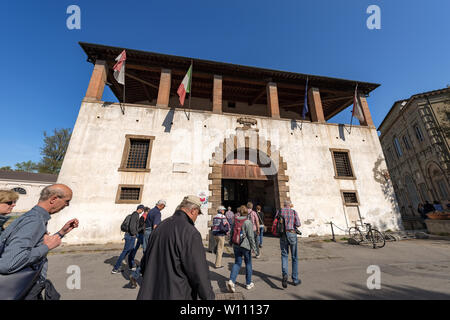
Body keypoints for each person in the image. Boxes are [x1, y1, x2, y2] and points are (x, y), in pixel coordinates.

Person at [0, 184, 79, 299]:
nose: (67, 205)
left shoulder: (34, 217)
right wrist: (46, 247)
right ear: (53, 199)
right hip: (23, 289)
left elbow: (31, 246)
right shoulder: (34, 221)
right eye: (67, 201)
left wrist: (61, 232)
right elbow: (9, 263)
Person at [137, 195, 215, 300]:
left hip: (151, 293)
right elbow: (199, 273)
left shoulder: (161, 226)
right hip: (177, 293)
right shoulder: (190, 232)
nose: (196, 217)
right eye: (198, 213)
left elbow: (145, 263)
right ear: (193, 211)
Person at [129, 201, 165, 288]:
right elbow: (155, 227)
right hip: (150, 235)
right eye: (163, 207)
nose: (163, 208)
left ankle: (140, 277)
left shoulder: (151, 211)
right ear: (161, 205)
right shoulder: (157, 213)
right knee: (151, 257)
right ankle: (139, 276)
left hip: (146, 234)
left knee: (148, 257)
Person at [226, 205, 258, 293]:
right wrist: (254, 249)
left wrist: (230, 242)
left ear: (239, 212)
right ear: (247, 212)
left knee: (237, 263)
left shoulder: (235, 220)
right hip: (245, 246)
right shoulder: (248, 222)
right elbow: (251, 237)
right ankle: (248, 283)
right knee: (248, 263)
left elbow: (232, 232)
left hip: (236, 245)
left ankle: (231, 281)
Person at [111, 204, 143, 274]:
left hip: (129, 235)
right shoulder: (136, 215)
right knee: (125, 252)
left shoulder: (134, 215)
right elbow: (132, 226)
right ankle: (116, 268)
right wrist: (134, 234)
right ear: (139, 209)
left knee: (129, 251)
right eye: (142, 210)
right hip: (130, 236)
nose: (142, 211)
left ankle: (130, 266)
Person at [277, 200, 301, 288]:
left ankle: (285, 275)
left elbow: (276, 222)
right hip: (292, 234)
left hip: (283, 235)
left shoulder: (280, 211)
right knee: (294, 257)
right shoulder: (294, 212)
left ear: (284, 204)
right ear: (290, 205)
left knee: (284, 255)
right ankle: (295, 279)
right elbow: (298, 224)